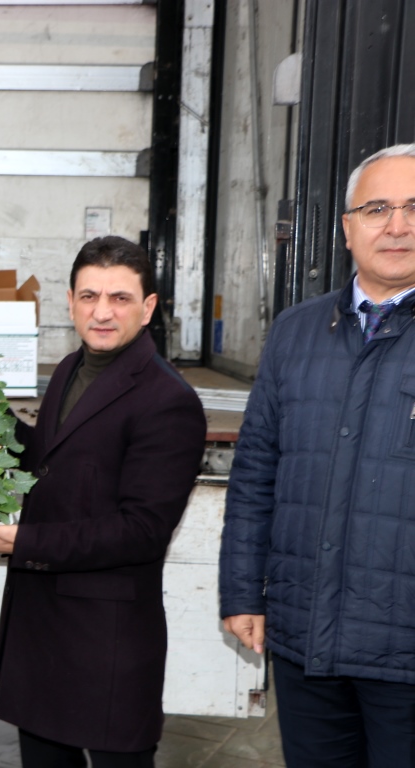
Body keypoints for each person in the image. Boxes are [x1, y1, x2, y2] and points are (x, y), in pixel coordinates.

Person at [0, 236, 207, 768]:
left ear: (148, 308)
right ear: (70, 302)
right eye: (89, 296)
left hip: (107, 639)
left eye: (120, 298)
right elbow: (52, 462)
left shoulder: (169, 401)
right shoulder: (70, 369)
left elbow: (142, 529)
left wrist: (24, 541)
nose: (102, 312)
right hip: (42, 625)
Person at [220, 143, 415, 768]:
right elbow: (255, 473)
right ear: (347, 227)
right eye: (378, 208)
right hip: (308, 637)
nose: (398, 225)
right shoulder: (296, 332)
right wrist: (243, 592)